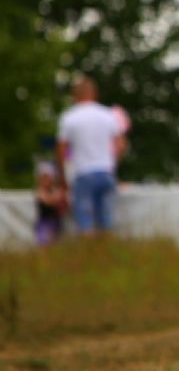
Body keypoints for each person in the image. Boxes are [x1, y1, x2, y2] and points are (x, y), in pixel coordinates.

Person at [55, 76, 125, 237]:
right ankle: (106, 255)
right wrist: (111, 164)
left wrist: (63, 178)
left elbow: (61, 151)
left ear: (75, 95)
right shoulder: (107, 115)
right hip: (106, 172)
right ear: (94, 93)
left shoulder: (69, 118)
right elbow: (120, 145)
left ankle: (89, 255)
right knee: (106, 221)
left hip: (83, 173)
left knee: (85, 222)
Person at [34, 160, 67, 245]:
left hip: (56, 223)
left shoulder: (55, 190)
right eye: (44, 178)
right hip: (45, 223)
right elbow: (47, 201)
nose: (46, 181)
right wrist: (57, 198)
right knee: (44, 244)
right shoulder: (39, 191)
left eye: (48, 178)